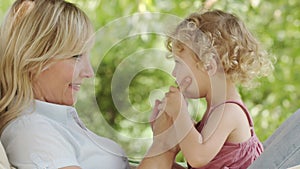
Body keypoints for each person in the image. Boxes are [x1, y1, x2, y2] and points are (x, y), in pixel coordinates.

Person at [0, 0, 176, 168]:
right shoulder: (32, 131)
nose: (89, 73)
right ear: (33, 61)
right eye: (76, 56)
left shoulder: (60, 122)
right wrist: (165, 143)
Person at [152, 10, 274, 168]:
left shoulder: (229, 112)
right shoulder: (214, 112)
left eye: (179, 63)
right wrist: (162, 130)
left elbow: (197, 157)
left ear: (208, 65)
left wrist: (179, 113)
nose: (174, 73)